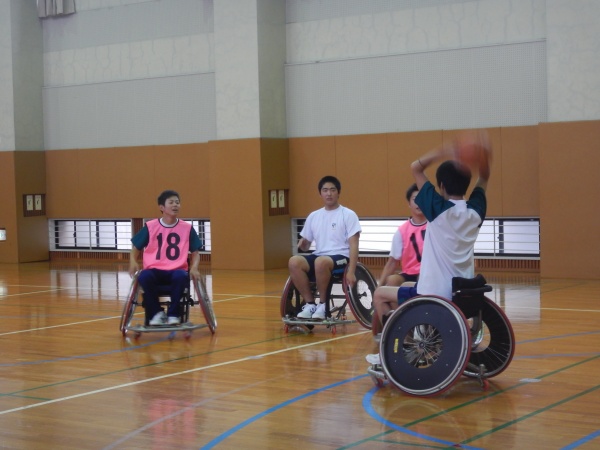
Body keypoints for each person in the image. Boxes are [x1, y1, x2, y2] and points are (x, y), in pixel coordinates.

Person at [368, 131, 492, 364]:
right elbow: (484, 177)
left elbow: (415, 167)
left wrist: (445, 151)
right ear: (466, 185)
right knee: (405, 285)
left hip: (434, 295)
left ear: (441, 186)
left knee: (380, 294)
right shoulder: (475, 212)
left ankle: (400, 346)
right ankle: (416, 333)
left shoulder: (438, 209)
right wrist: (485, 157)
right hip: (463, 294)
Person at [288, 175, 362, 320]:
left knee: (320, 262)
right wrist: (303, 244)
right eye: (325, 190)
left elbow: (354, 245)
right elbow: (306, 246)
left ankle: (323, 305)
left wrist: (352, 271)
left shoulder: (348, 215)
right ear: (320, 193)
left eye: (332, 190)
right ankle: (310, 304)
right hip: (320, 256)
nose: (329, 193)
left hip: (341, 257)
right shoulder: (314, 216)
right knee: (294, 261)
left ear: (338, 193)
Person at [128, 190, 202, 326]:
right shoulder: (150, 226)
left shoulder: (187, 228)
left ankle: (173, 314)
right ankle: (157, 313)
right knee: (144, 276)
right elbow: (136, 248)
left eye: (177, 202)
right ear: (162, 207)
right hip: (154, 270)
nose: (175, 205)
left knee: (181, 277)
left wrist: (194, 267)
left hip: (177, 270)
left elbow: (195, 252)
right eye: (171, 202)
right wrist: (133, 261)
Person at [372, 183, 426, 334]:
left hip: (427, 273)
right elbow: (392, 262)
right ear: (409, 203)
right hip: (409, 273)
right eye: (415, 199)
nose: (419, 202)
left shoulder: (434, 226)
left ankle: (408, 327)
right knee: (392, 281)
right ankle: (401, 327)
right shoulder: (402, 231)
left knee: (411, 284)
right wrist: (379, 286)